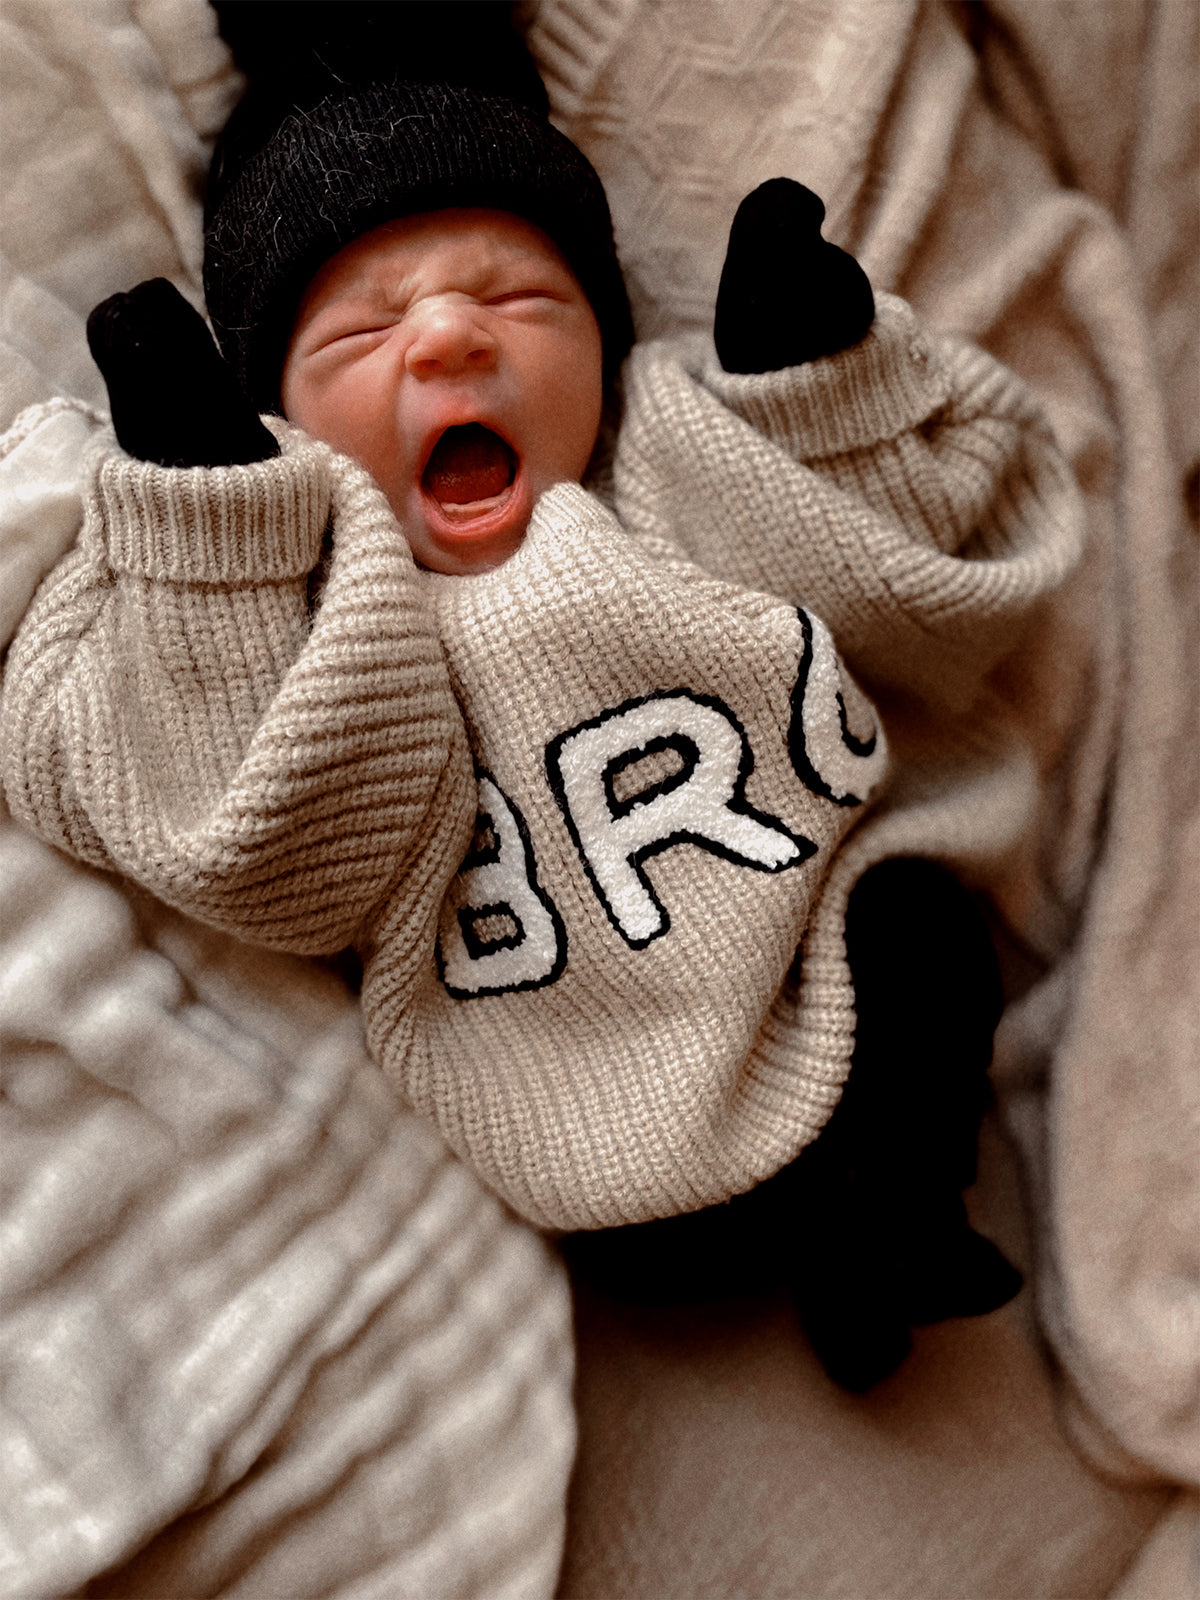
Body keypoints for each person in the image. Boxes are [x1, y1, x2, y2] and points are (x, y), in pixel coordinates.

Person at [1, 2, 1074, 1389]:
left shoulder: (673, 468)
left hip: (823, 970)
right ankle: (842, 1244)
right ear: (278, 414)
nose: (448, 336)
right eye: (362, 334)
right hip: (571, 1121)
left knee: (927, 932)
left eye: (521, 301)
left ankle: (900, 1216)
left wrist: (812, 388)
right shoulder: (328, 610)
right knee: (664, 1249)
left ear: (608, 341)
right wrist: (217, 531)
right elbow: (263, 847)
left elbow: (908, 596)